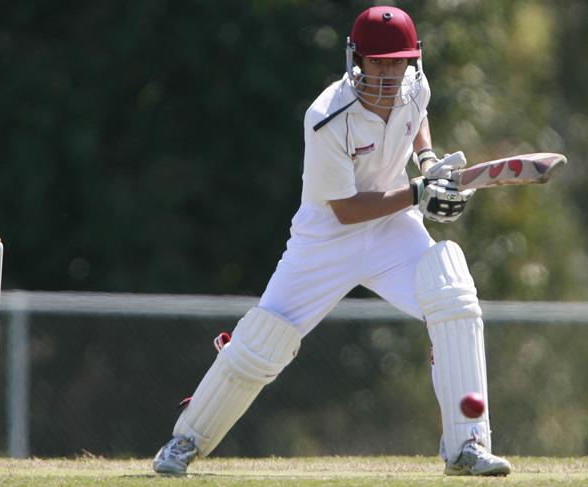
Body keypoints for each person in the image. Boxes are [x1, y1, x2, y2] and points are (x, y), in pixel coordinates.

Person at [153, 5, 512, 477]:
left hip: (392, 230)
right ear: (356, 60)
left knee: (453, 294)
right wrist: (420, 192)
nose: (387, 74)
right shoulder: (326, 117)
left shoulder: (414, 86)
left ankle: (467, 445)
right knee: (263, 340)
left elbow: (418, 116)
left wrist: (426, 161)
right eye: (377, 62)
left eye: (397, 61)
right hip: (326, 238)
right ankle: (184, 441)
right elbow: (346, 209)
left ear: (412, 59)